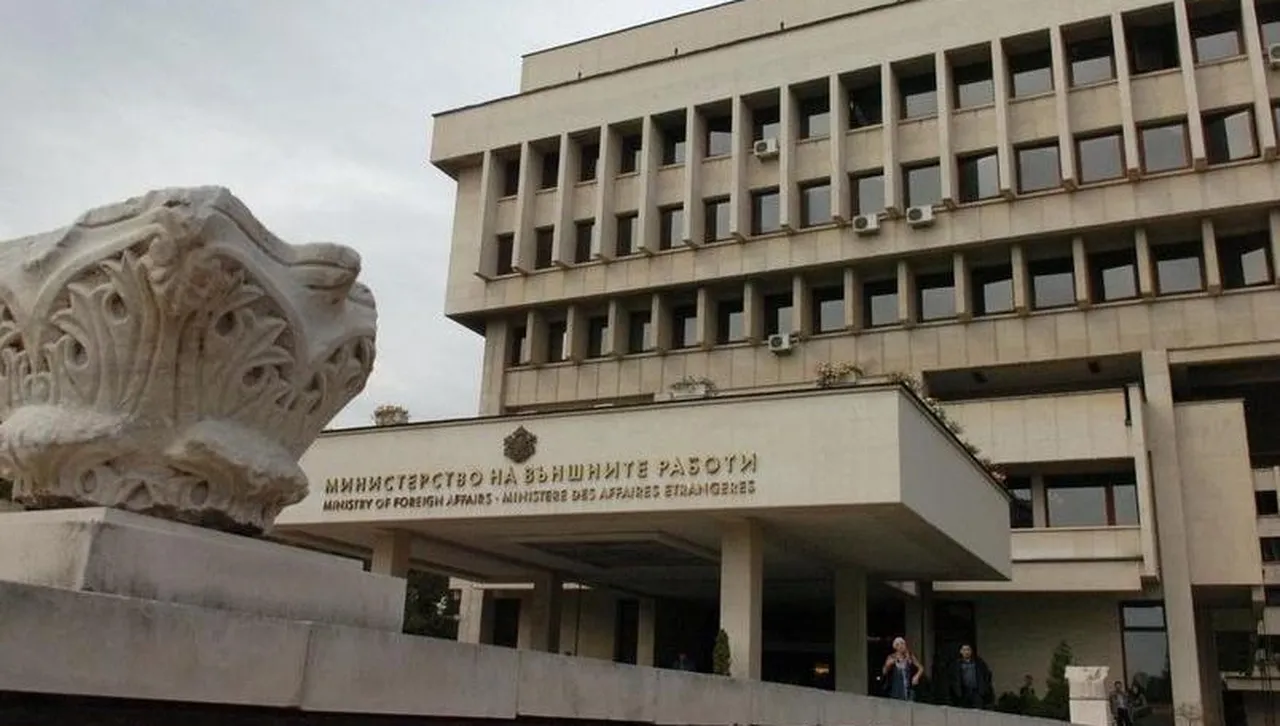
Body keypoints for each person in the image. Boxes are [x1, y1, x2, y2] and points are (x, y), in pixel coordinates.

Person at [948, 644, 993, 709]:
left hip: (976, 692)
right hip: (963, 693)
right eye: (964, 650)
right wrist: (956, 692)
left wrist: (984, 689)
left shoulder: (979, 663)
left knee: (978, 710)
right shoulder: (956, 665)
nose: (966, 652)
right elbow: (952, 679)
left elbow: (987, 675)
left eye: (968, 650)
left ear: (971, 651)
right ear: (961, 651)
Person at [882, 636, 923, 701]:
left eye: (902, 644)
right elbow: (884, 671)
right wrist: (888, 665)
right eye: (898, 645)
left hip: (908, 688)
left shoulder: (910, 656)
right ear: (895, 647)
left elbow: (921, 668)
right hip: (895, 689)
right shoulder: (892, 657)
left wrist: (917, 676)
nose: (901, 646)